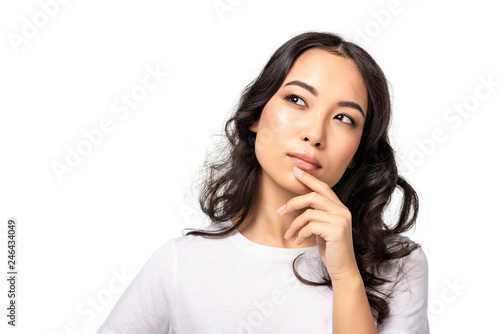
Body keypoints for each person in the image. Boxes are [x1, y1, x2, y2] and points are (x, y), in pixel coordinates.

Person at [97, 31, 429, 333]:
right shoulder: (179, 264)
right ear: (257, 113)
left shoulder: (399, 265)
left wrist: (346, 278)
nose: (314, 134)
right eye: (297, 100)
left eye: (344, 118)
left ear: (357, 151)